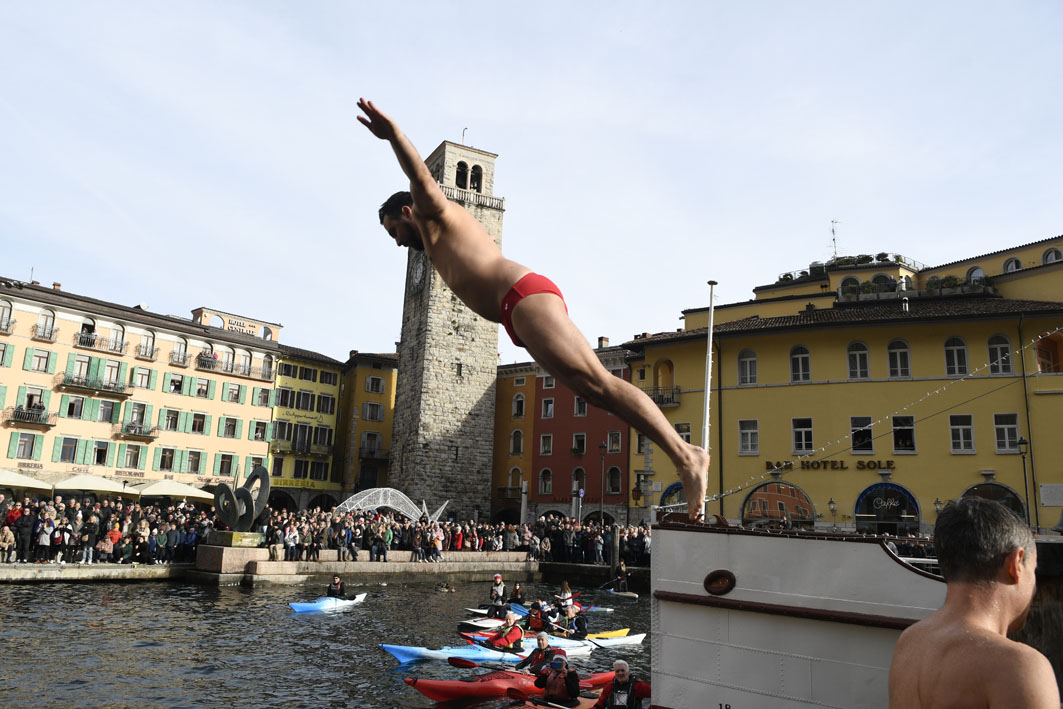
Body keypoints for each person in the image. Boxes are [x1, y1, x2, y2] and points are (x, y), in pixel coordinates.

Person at [357, 98, 709, 521]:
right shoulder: (431, 239)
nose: (396, 241)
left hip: (522, 297)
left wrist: (394, 135)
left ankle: (686, 456)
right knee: (588, 391)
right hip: (516, 311)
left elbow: (418, 175)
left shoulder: (436, 212)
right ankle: (684, 454)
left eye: (395, 230)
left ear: (408, 212)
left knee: (597, 381)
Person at [888, 498, 1059, 708]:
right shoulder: (1018, 666)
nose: (1034, 587)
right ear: (1016, 564)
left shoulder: (910, 641)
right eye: (1033, 571)